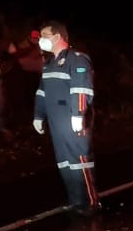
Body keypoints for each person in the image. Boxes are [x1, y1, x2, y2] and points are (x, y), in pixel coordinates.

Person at [32, 20, 100, 215]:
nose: (40, 40)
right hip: (56, 120)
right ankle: (76, 200)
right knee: (64, 161)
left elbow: (81, 89)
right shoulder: (49, 63)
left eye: (44, 36)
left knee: (80, 159)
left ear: (57, 37)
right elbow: (42, 92)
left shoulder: (77, 59)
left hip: (73, 117)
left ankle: (89, 202)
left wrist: (77, 114)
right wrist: (38, 115)